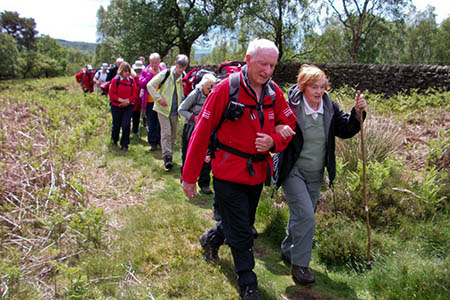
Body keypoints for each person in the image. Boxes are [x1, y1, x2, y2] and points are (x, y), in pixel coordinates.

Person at [181, 39, 296, 300]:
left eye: (272, 65)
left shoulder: (274, 92)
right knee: (243, 232)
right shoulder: (224, 90)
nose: (267, 71)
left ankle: (212, 238)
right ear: (248, 59)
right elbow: (201, 133)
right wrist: (189, 177)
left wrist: (274, 141)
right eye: (262, 64)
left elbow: (290, 123)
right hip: (226, 172)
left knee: (241, 222)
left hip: (256, 173)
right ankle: (248, 284)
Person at [272, 64, 367, 285]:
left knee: (301, 215)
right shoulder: (292, 106)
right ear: (303, 87)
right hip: (292, 169)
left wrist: (357, 112)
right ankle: (300, 266)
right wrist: (277, 129)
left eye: (322, 87)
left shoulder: (329, 106)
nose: (318, 91)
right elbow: (274, 123)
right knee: (306, 216)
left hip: (316, 172)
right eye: (314, 87)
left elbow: (346, 129)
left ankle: (288, 249)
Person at [148, 54, 189, 171]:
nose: (181, 70)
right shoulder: (165, 74)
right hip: (162, 109)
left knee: (173, 134)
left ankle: (169, 153)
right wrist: (158, 98)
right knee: (166, 133)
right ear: (175, 64)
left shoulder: (184, 77)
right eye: (179, 67)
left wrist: (185, 86)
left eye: (183, 68)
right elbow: (150, 85)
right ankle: (167, 158)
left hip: (175, 111)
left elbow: (187, 92)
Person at [178, 73, 217, 195]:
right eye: (207, 89)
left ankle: (204, 183)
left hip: (207, 131)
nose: (209, 92)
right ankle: (186, 178)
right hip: (191, 129)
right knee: (188, 154)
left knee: (207, 157)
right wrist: (193, 117)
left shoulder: (215, 95)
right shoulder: (195, 94)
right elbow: (181, 109)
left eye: (212, 89)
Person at [108, 61, 139, 152]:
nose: (127, 73)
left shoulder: (131, 80)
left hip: (128, 106)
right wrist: (121, 100)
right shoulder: (115, 80)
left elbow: (134, 93)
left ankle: (125, 144)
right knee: (116, 124)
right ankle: (114, 140)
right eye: (125, 71)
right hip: (116, 106)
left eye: (128, 71)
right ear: (121, 71)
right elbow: (112, 94)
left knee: (126, 125)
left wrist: (128, 101)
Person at [139, 53, 165, 151]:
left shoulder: (163, 71)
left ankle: (160, 141)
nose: (153, 64)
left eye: (155, 62)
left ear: (159, 62)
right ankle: (153, 142)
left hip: (161, 101)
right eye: (151, 62)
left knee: (160, 122)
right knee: (151, 122)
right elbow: (141, 84)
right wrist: (150, 74)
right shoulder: (145, 71)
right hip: (150, 101)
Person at [131, 60, 145, 137]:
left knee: (137, 115)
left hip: (139, 99)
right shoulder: (131, 75)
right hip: (132, 98)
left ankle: (135, 130)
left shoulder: (144, 75)